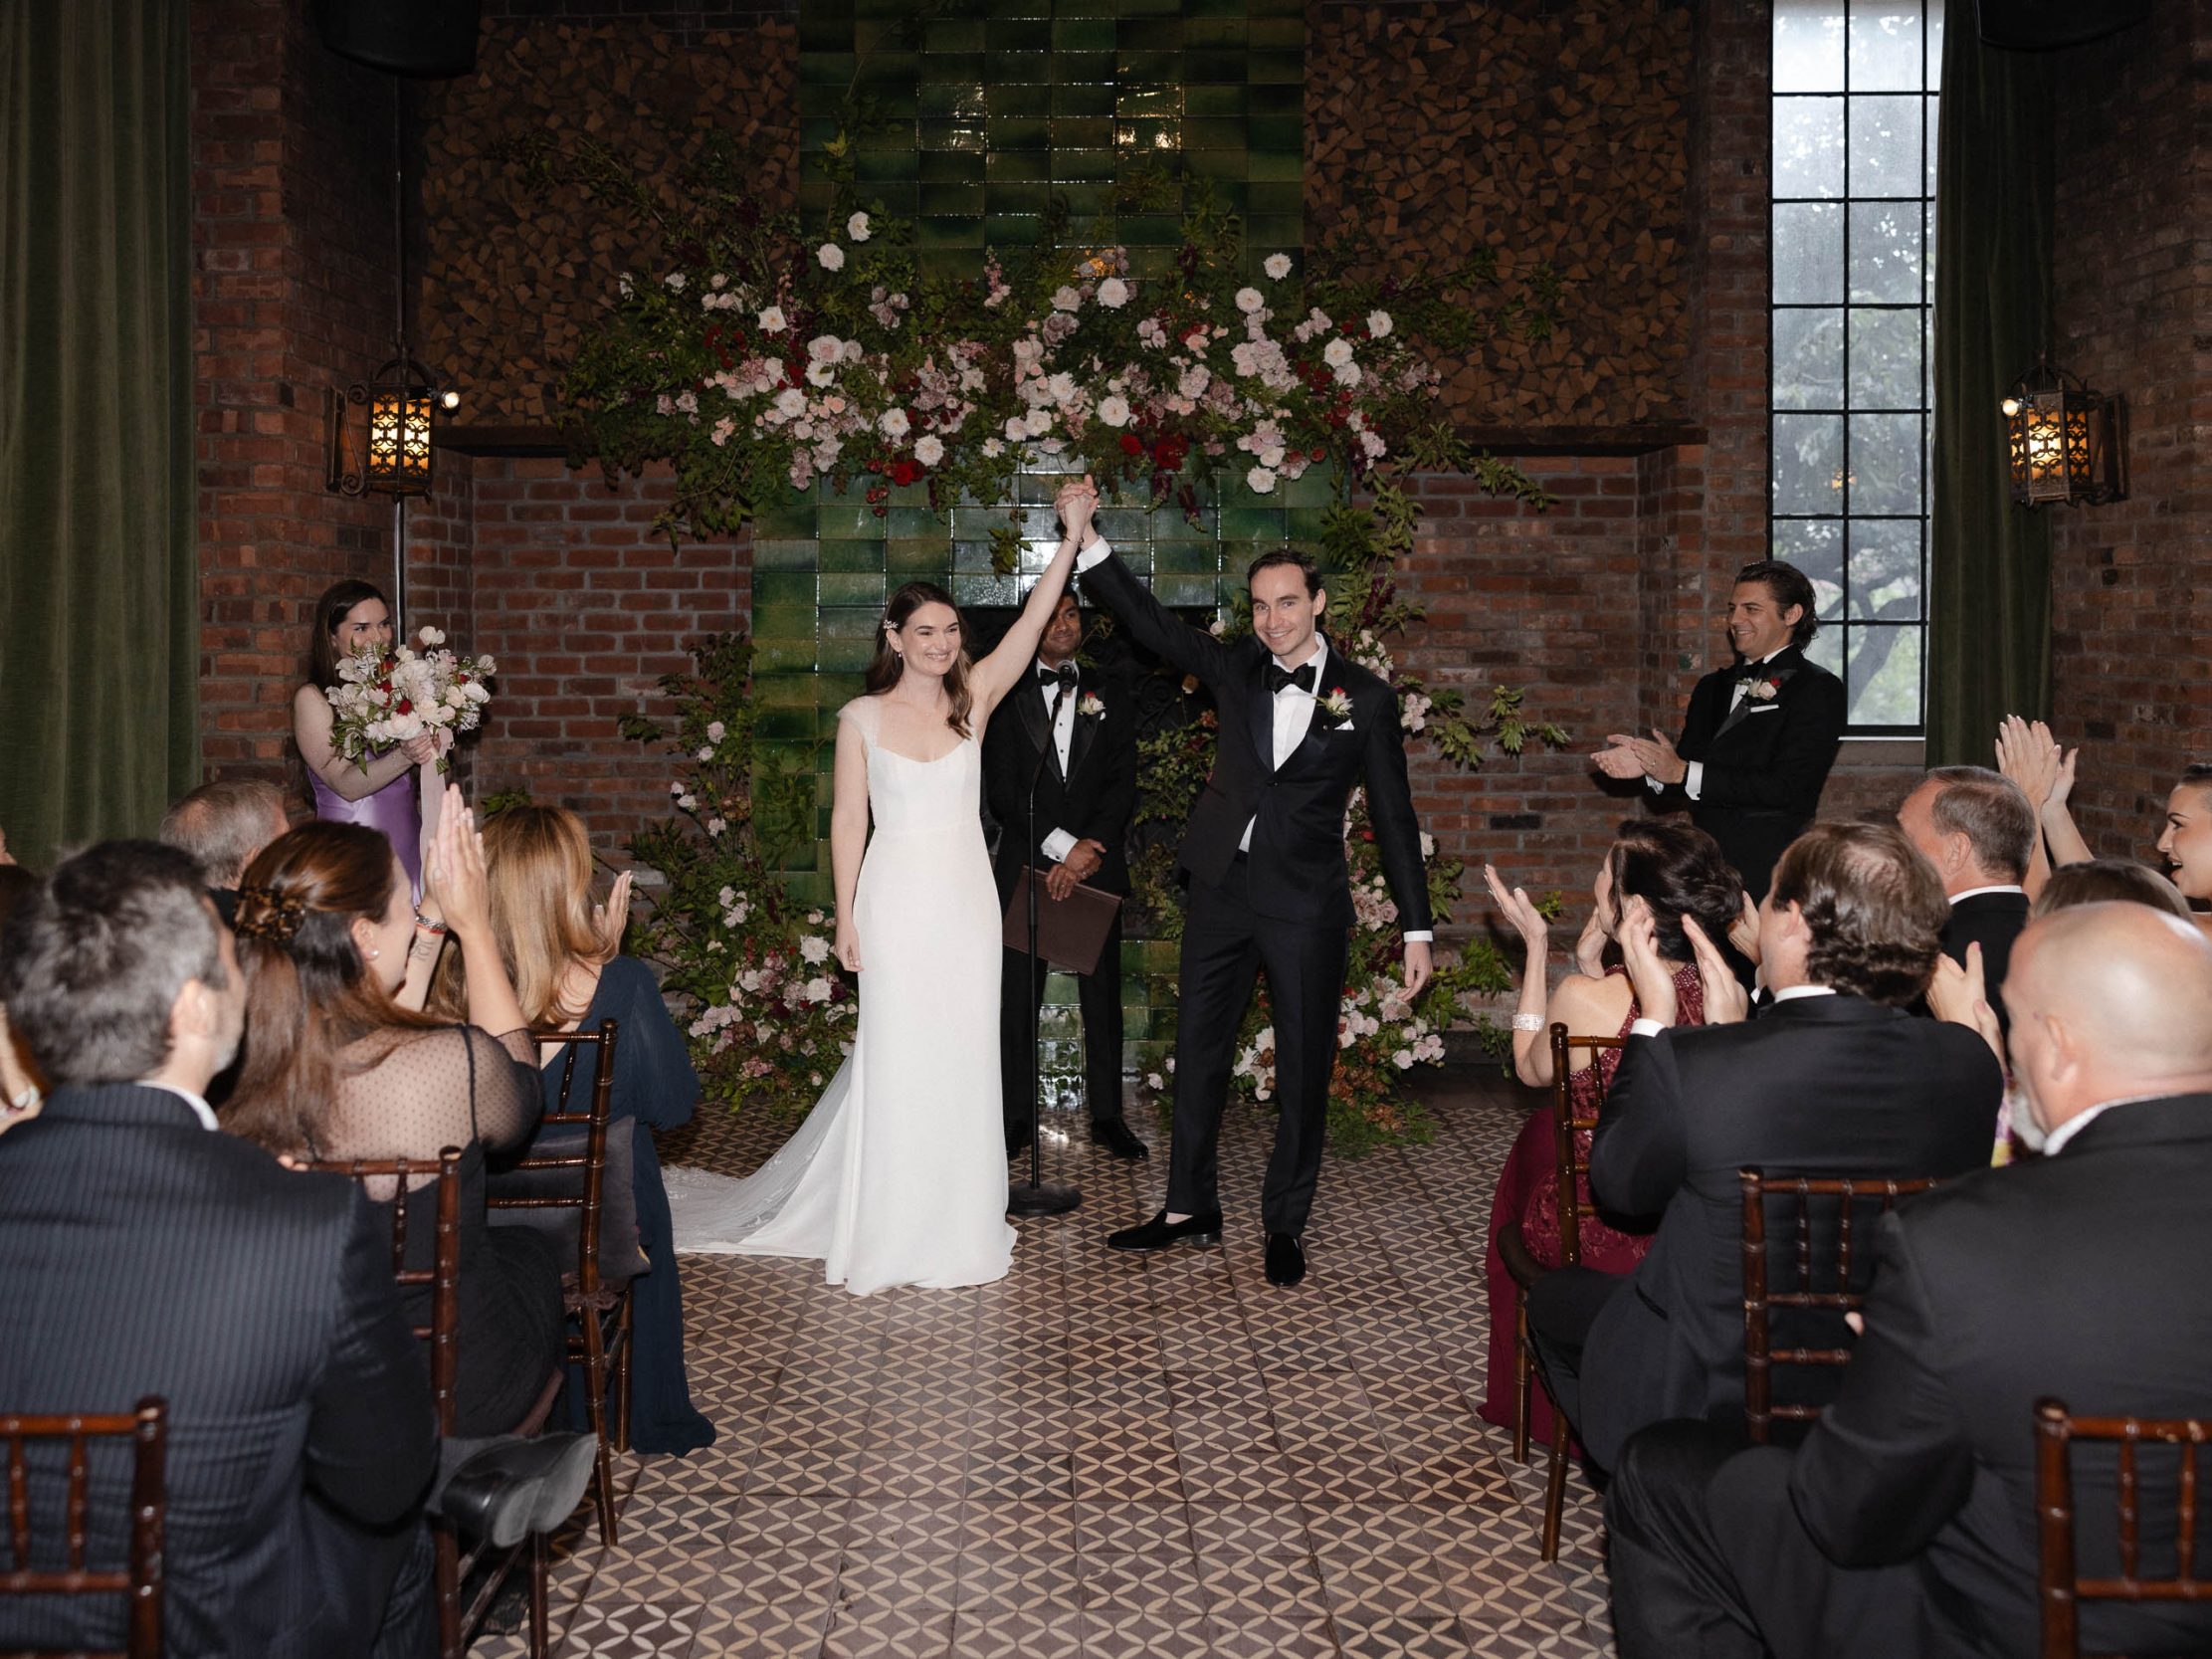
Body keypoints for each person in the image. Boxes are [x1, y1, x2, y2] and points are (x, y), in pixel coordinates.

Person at [1603, 902, 2212, 1659]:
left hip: (1981, 1627)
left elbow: (1846, 1515)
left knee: (1660, 1467)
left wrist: (1890, 1367)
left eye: (2013, 1023)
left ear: (2055, 1046)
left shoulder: (1961, 1245)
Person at [0, 839, 440, 1656]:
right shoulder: (307, 1223)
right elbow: (386, 1479)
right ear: (192, 1010)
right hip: (218, 1632)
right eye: (227, 950)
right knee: (404, 1540)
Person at [661, 481, 1089, 1295]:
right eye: (922, 630)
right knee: (898, 1059)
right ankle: (887, 1224)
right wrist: (849, 915)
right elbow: (846, 825)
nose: (939, 642)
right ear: (893, 637)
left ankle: (959, 1219)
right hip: (893, 904)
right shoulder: (858, 717)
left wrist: (1069, 536)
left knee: (966, 1057)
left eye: (950, 630)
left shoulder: (977, 702)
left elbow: (1034, 621)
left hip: (966, 905)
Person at [1523, 822, 2004, 1471]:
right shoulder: (1968, 1064)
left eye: (1772, 897)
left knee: (1553, 1303)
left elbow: (1620, 1187)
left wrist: (1655, 1028)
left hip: (1712, 1380)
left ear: (1795, 922)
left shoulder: (1699, 1063)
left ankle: (1652, 1474)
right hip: (1877, 1368)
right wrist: (1980, 1046)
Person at [1075, 517, 1434, 1289]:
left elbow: (1394, 815)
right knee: (1198, 1047)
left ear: (1318, 603)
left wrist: (1416, 926)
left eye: (1287, 603)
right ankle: (1185, 1208)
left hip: (1305, 901)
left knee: (1304, 1065)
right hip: (1222, 887)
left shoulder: (1364, 699)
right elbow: (1153, 626)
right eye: (1261, 606)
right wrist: (1090, 542)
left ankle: (1284, 1222)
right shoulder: (1237, 665)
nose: (1273, 619)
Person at [222, 802, 565, 1435]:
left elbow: (375, 1020)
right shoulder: (439, 1065)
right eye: (404, 902)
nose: (414, 915)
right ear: (362, 935)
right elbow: (522, 1099)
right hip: (446, 1380)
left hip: (294, 1383)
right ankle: (529, 1469)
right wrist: (475, 927)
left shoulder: (228, 1070)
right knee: (532, 1257)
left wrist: (434, 919)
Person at [437, 804, 715, 1455]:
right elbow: (673, 1104)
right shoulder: (621, 982)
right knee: (628, 1152)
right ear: (563, 890)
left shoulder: (447, 991)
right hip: (599, 1229)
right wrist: (612, 972)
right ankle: (636, 1404)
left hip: (489, 1220)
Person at [1477, 822, 1745, 1437]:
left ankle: (1557, 1401)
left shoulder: (1581, 997)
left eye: (1607, 872)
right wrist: (1593, 961)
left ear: (1636, 907)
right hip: (1688, 1227)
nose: (1598, 881)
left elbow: (1529, 1068)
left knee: (1532, 1157)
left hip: (1602, 1222)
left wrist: (1539, 949)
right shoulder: (1729, 995)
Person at [982, 588, 1145, 1161]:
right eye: (1052, 617)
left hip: (1096, 864)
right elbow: (1002, 791)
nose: (1064, 625)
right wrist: (1060, 850)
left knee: (1101, 998)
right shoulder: (1005, 695)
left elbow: (1123, 780)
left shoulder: (1111, 693)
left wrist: (1086, 853)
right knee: (1017, 996)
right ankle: (1015, 1118)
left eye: (1072, 614)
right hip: (1029, 861)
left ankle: (1107, 1117)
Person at [1592, 559, 1846, 902]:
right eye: (1732, 609)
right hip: (1703, 867)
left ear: (1791, 614)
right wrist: (1651, 767)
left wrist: (1681, 771)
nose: (1734, 620)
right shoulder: (1711, 687)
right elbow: (1684, 773)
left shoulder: (1817, 688)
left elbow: (1791, 788)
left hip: (1768, 868)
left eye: (1751, 609)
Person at [294, 579, 442, 898]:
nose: (378, 637)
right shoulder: (313, 698)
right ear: (332, 637)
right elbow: (345, 784)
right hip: (352, 853)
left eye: (384, 624)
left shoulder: (399, 688)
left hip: (407, 843)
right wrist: (406, 754)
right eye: (361, 628)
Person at [1896, 765, 2036, 1034]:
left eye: (1904, 835)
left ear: (1956, 851)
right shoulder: (2055, 941)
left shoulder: (1924, 959)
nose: (1893, 850)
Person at [159, 778, 293, 926]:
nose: (293, 850)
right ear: (254, 862)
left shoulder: (151, 914)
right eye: (284, 840)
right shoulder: (271, 925)